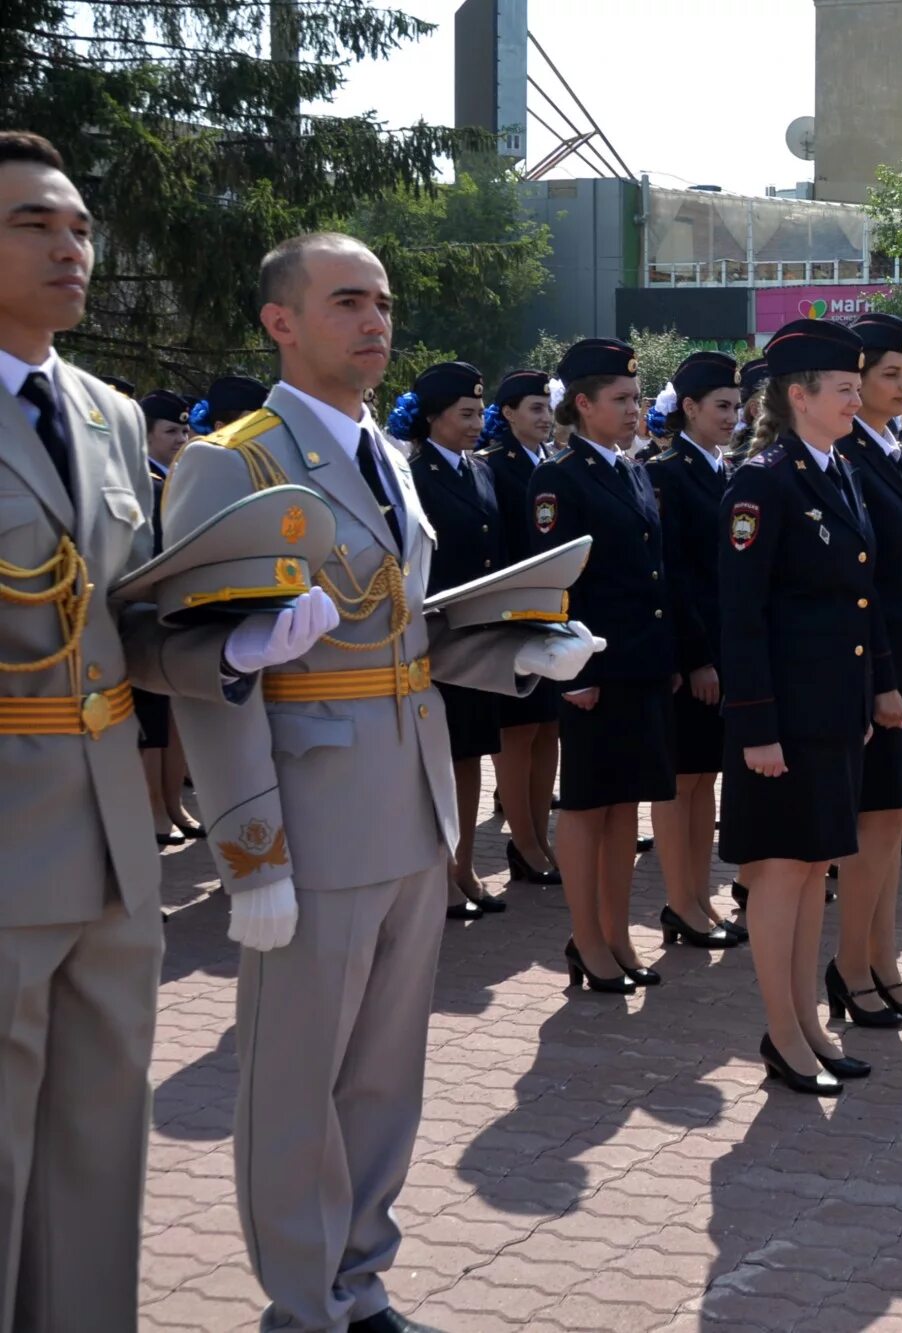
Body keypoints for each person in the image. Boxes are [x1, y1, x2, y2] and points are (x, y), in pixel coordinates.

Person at [162, 230, 598, 1332]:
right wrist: (249, 855)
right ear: (280, 321)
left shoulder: (384, 454)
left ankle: (360, 1282)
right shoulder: (237, 461)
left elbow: (398, 638)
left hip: (412, 805)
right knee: (295, 1080)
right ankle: (302, 1305)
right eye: (347, 300)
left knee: (383, 1077)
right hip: (307, 815)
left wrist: (515, 655)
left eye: (384, 303)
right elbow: (210, 674)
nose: (374, 321)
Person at [0, 132, 282, 1332]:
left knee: (96, 1148)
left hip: (115, 845)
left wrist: (232, 648)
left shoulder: (112, 417)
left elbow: (127, 624)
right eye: (33, 226)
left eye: (78, 227)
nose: (71, 248)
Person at [718, 317, 892, 1095]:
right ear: (799, 395)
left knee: (817, 863)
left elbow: (861, 600)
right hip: (782, 721)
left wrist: (868, 691)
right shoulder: (765, 479)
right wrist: (756, 724)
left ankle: (809, 1024)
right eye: (848, 389)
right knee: (781, 874)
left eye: (860, 387)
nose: (860, 399)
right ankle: (782, 1031)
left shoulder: (838, 468)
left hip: (832, 713)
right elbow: (741, 613)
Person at [528, 338, 687, 993]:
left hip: (640, 665)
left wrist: (667, 653)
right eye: (620, 399)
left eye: (637, 397)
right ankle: (586, 938)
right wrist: (574, 671)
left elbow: (654, 572)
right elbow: (552, 584)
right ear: (583, 404)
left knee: (628, 809)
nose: (634, 408)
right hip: (592, 669)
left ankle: (618, 934)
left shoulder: (630, 469)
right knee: (589, 806)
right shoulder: (559, 478)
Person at [832, 311, 902, 1024]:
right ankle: (853, 964)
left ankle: (876, 960)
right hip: (876, 668)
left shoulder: (896, 450)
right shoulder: (849, 457)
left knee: (885, 825)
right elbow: (865, 582)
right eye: (890, 375)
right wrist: (885, 681)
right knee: (871, 828)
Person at [396, 360, 510, 920]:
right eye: (465, 414)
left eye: (479, 412)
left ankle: (463, 866)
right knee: (436, 761)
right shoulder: (413, 476)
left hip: (477, 637)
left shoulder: (479, 470)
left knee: (471, 757)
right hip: (435, 642)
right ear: (434, 418)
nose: (476, 423)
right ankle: (435, 875)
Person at [643, 351, 744, 949]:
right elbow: (674, 576)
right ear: (689, 408)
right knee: (682, 782)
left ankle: (701, 897)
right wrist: (697, 657)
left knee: (706, 780)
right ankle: (679, 901)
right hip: (694, 655)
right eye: (721, 406)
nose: (733, 416)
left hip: (726, 649)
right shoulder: (668, 472)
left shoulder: (724, 470)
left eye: (736, 406)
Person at [477, 369, 563, 885]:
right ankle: (524, 840)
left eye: (547, 407)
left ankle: (540, 834)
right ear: (508, 414)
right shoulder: (492, 466)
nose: (544, 417)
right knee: (517, 728)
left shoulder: (552, 462)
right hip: (514, 614)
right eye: (534, 407)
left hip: (553, 611)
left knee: (549, 726)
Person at [134, 388, 203, 846]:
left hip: (177, 610)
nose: (181, 438)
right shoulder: (142, 481)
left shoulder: (178, 481)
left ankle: (172, 803)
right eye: (170, 430)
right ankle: (155, 807)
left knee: (174, 715)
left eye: (184, 429)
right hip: (145, 612)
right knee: (150, 722)